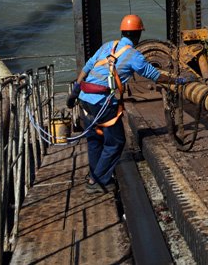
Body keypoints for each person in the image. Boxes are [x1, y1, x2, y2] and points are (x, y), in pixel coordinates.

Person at [66, 13, 187, 194]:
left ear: (122, 32)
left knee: (94, 139)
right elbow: (156, 76)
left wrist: (75, 92)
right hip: (101, 102)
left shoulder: (107, 46)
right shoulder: (134, 56)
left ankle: (96, 175)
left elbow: (86, 68)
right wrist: (179, 81)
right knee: (116, 142)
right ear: (138, 35)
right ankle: (96, 181)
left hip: (85, 98)